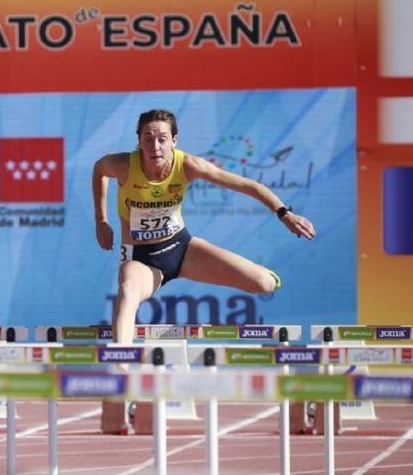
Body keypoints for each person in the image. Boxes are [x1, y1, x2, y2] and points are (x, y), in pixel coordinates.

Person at [91, 109, 316, 432]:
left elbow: (247, 185)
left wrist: (284, 214)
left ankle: (262, 273)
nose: (155, 146)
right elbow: (99, 170)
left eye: (162, 139)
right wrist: (101, 219)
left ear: (174, 141)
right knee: (127, 292)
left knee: (264, 284)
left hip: (182, 249)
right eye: (148, 139)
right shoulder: (124, 164)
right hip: (141, 259)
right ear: (138, 141)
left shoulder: (188, 165)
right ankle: (121, 368)